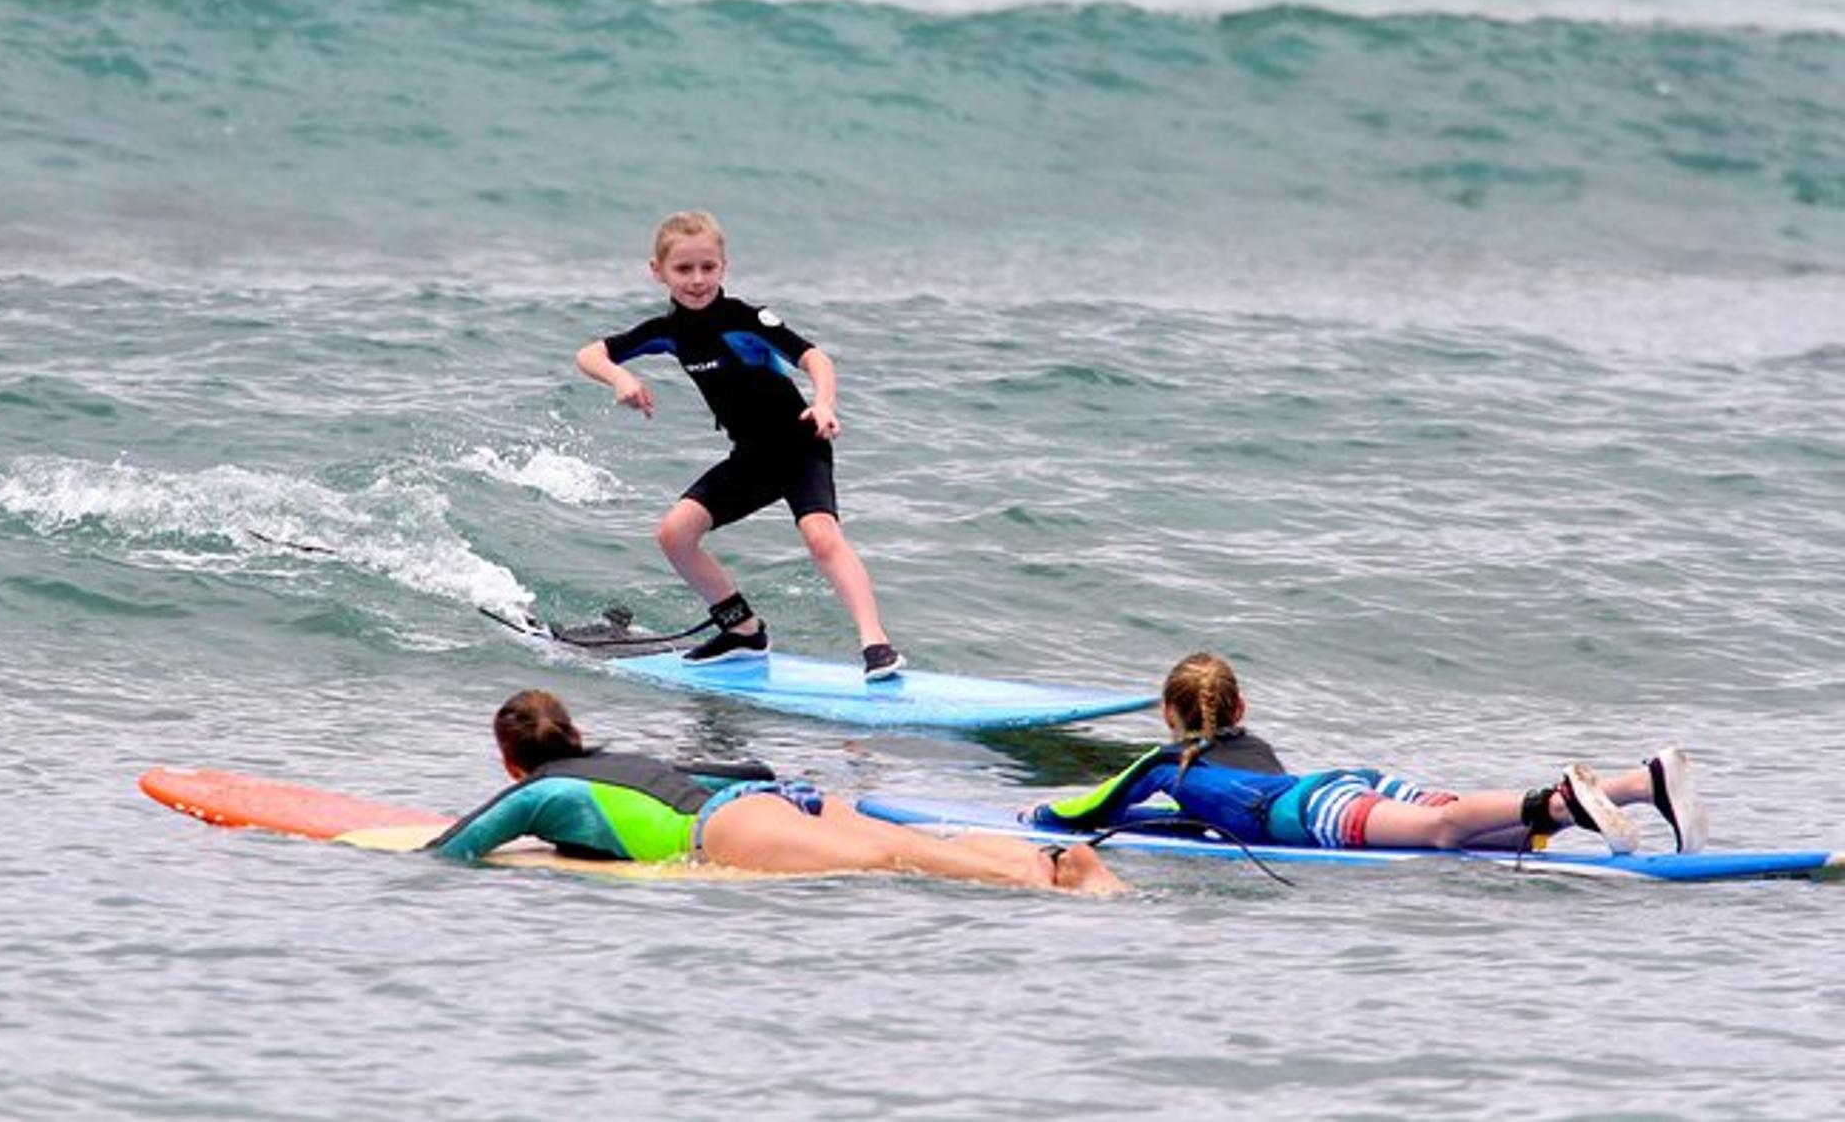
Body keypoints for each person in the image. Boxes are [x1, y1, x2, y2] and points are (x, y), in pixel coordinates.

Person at [576, 209, 903, 679]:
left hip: (799, 444)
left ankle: (877, 646)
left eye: (708, 267)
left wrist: (824, 404)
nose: (696, 279)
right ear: (658, 272)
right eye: (683, 269)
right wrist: (620, 378)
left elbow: (815, 357)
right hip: (751, 458)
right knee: (675, 535)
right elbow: (589, 353)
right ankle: (744, 631)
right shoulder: (668, 333)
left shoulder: (746, 319)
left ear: (723, 268)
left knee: (820, 536)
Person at [427, 690, 1126, 894]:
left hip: (722, 835)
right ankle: (1051, 861)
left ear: (509, 757)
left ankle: (1046, 873)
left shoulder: (535, 792)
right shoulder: (621, 758)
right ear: (575, 732)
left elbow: (457, 847)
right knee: (909, 843)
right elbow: (741, 772)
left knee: (891, 861)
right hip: (764, 802)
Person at [1027, 652, 1708, 856]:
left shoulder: (1163, 764)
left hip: (1309, 807)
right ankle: (1639, 784)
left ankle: (1560, 796)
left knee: (1444, 829)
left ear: (1170, 717)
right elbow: (1197, 821)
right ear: (1241, 710)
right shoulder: (1244, 749)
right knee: (1499, 838)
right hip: (1343, 782)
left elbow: (1085, 808)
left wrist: (1035, 816)